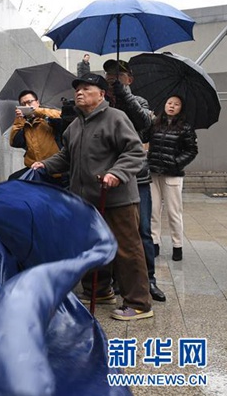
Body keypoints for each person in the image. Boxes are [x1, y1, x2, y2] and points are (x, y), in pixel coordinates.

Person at [32, 73, 153, 321]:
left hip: (117, 198)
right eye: (77, 88)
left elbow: (134, 152)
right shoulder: (74, 126)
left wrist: (116, 173)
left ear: (101, 94)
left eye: (87, 88)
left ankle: (139, 303)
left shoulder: (116, 118)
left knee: (127, 250)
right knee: (92, 247)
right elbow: (65, 157)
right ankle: (99, 291)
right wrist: (44, 165)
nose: (79, 92)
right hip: (86, 201)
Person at [103, 59, 165, 302]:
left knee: (143, 231)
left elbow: (144, 124)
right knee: (113, 230)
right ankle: (118, 279)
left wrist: (123, 94)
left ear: (129, 79)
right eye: (109, 74)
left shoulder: (140, 102)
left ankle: (149, 279)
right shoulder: (102, 104)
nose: (113, 77)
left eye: (119, 74)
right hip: (110, 176)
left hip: (137, 177)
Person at [147, 95, 199, 261]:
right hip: (154, 173)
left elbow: (192, 151)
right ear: (165, 105)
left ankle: (178, 246)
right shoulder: (155, 124)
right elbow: (143, 137)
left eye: (176, 104)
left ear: (180, 108)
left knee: (173, 212)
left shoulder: (185, 128)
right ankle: (154, 243)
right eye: (169, 103)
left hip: (173, 175)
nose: (172, 106)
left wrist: (176, 163)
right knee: (154, 211)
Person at [8, 90, 64, 185]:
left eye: (29, 102)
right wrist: (19, 119)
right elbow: (14, 142)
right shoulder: (24, 124)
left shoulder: (47, 117)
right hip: (34, 169)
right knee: (13, 180)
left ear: (37, 102)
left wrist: (37, 111)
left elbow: (61, 117)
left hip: (55, 170)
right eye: (23, 104)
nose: (26, 106)